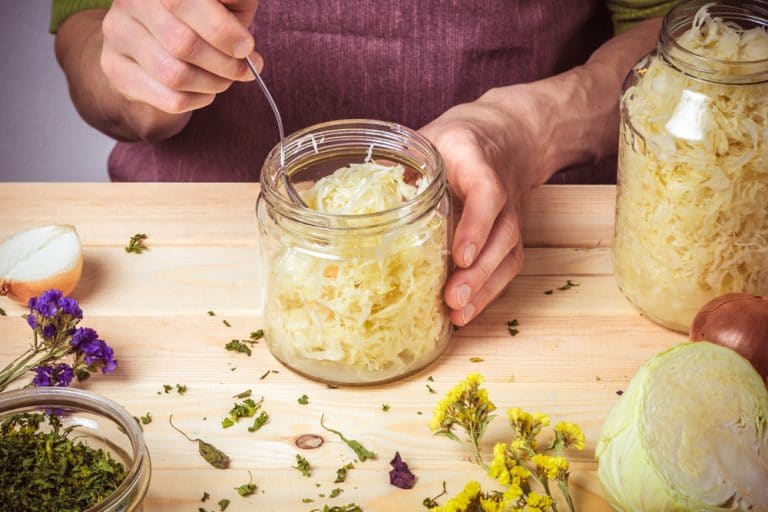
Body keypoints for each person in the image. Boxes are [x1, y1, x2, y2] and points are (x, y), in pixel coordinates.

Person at [51, 0, 677, 326]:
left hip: (531, 247)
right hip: (183, 258)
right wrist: (141, 73)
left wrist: (527, 128)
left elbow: (684, 31)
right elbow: (84, 36)